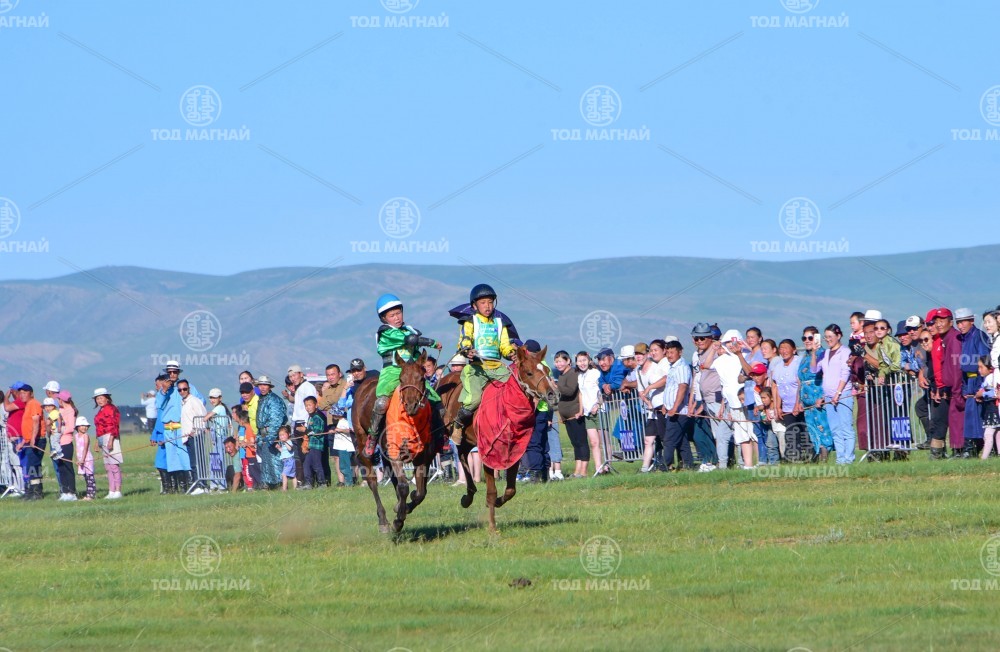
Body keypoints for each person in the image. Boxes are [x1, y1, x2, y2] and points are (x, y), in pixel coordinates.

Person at [367, 293, 444, 457]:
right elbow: (409, 340)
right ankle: (372, 436)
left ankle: (439, 436)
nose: (396, 318)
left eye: (398, 313)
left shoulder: (410, 330)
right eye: (392, 315)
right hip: (392, 371)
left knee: (436, 401)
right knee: (381, 403)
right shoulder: (386, 332)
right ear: (384, 319)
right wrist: (431, 342)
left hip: (412, 372)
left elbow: (415, 350)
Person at [454, 284, 517, 435]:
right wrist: (467, 349)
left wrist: (511, 353)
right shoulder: (470, 321)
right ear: (474, 305)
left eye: (490, 302)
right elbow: (464, 340)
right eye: (483, 302)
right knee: (474, 399)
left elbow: (504, 345)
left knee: (515, 391)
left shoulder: (500, 323)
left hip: (498, 368)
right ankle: (457, 425)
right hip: (477, 368)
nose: (487, 306)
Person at [703, 329, 757, 469]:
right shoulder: (721, 360)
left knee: (752, 432)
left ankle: (756, 462)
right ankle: (746, 464)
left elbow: (752, 367)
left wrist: (742, 348)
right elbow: (706, 365)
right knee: (740, 434)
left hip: (746, 399)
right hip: (730, 401)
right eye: (727, 342)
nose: (730, 345)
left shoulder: (745, 355)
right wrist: (713, 349)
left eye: (733, 342)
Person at [926, 308, 965, 459]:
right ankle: (942, 453)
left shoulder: (953, 339)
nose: (938, 324)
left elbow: (955, 368)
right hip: (945, 388)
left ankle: (958, 452)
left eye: (942, 320)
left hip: (953, 388)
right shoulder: (942, 339)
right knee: (944, 420)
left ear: (950, 321)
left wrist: (955, 391)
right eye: (936, 321)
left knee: (954, 421)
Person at [818, 324, 856, 464]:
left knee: (846, 427)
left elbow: (845, 373)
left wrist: (838, 393)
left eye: (830, 337)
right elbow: (815, 369)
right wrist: (815, 352)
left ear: (838, 336)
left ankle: (848, 458)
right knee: (835, 428)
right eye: (826, 337)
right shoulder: (825, 353)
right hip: (828, 395)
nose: (828, 340)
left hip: (843, 394)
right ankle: (840, 458)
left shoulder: (845, 351)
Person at [659, 339, 695, 472]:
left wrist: (674, 407)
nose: (669, 355)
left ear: (680, 352)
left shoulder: (681, 367)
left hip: (679, 411)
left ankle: (665, 466)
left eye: (672, 352)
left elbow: (682, 387)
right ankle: (689, 465)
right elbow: (671, 388)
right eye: (667, 352)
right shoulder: (673, 367)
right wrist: (666, 405)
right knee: (681, 440)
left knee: (669, 440)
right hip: (672, 410)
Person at [957, 308, 989, 456]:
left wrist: (982, 386)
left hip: (979, 379)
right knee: (971, 415)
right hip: (969, 380)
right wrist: (965, 387)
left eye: (963, 322)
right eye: (958, 322)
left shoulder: (979, 336)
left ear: (971, 321)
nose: (960, 325)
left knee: (980, 416)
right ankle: (971, 448)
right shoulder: (963, 338)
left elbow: (985, 361)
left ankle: (983, 448)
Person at [798, 327, 833, 462]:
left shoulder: (823, 354)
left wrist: (823, 396)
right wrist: (799, 401)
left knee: (822, 426)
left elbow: (827, 376)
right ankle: (818, 455)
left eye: (810, 338)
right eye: (804, 338)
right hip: (806, 398)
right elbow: (800, 380)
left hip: (818, 395)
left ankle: (825, 456)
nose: (807, 341)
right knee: (812, 429)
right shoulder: (804, 357)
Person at [635, 340, 666, 473]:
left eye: (641, 354)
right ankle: (644, 468)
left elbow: (665, 381)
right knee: (648, 440)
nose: (638, 357)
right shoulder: (638, 371)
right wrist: (648, 402)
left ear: (647, 354)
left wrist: (651, 389)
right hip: (651, 410)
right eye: (636, 354)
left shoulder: (656, 367)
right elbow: (640, 391)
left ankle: (669, 464)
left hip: (662, 406)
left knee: (665, 438)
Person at [255, 375, 288, 487]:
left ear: (269, 386)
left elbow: (276, 419)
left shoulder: (274, 399)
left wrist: (272, 435)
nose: (262, 387)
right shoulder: (261, 399)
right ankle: (268, 483)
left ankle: (279, 483)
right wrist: (260, 434)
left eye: (265, 385)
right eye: (260, 385)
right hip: (264, 435)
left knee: (275, 461)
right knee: (266, 461)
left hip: (272, 435)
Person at [178, 380, 207, 495]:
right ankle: (198, 484)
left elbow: (202, 417)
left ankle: (202, 485)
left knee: (198, 462)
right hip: (188, 437)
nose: (182, 391)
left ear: (188, 389)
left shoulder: (194, 401)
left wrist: (195, 430)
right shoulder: (183, 402)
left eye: (184, 389)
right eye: (180, 390)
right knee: (193, 463)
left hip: (196, 436)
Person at [93, 388, 123, 499]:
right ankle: (111, 490)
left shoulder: (111, 409)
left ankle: (118, 491)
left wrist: (111, 440)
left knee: (114, 465)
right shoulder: (100, 411)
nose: (99, 400)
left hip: (111, 437)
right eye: (97, 399)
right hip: (102, 438)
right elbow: (99, 428)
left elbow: (114, 425)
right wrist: (97, 441)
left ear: (107, 398)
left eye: (101, 398)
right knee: (108, 466)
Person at [975, 356, 999, 459]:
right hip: (991, 409)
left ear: (990, 368)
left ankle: (984, 458)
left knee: (988, 434)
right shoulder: (989, 378)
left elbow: (995, 392)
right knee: (998, 433)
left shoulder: (992, 378)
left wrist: (982, 394)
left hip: (993, 409)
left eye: (981, 367)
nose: (979, 370)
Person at [55, 390, 77, 500]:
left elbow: (71, 428)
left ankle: (72, 493)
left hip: (66, 442)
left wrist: (59, 431)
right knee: (61, 467)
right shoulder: (61, 410)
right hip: (59, 443)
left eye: (58, 399)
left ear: (61, 400)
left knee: (68, 467)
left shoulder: (70, 411)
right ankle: (65, 492)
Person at [302, 396, 327, 489]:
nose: (308, 407)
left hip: (316, 445)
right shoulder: (310, 417)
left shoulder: (317, 417)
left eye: (310, 405)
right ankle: (308, 483)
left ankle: (322, 483)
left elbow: (317, 431)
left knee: (317, 465)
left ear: (316, 405)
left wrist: (306, 430)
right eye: (306, 405)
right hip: (310, 445)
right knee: (306, 464)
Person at [73, 416, 97, 500]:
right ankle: (88, 494)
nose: (85, 427)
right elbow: (77, 448)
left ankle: (91, 495)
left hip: (87, 459)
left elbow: (85, 448)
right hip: (81, 459)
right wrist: (77, 459)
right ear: (77, 427)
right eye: (82, 425)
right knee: (86, 477)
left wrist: (82, 459)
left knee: (90, 477)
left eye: (86, 426)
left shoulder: (86, 436)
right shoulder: (76, 436)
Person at [277, 425, 297, 491]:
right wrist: (279, 448)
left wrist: (285, 442)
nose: (281, 437)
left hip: (289, 460)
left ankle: (284, 489)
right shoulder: (283, 443)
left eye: (283, 435)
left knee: (284, 475)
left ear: (288, 434)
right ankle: (295, 488)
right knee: (293, 475)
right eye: (280, 435)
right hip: (286, 461)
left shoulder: (288, 441)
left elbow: (290, 448)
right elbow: (283, 452)